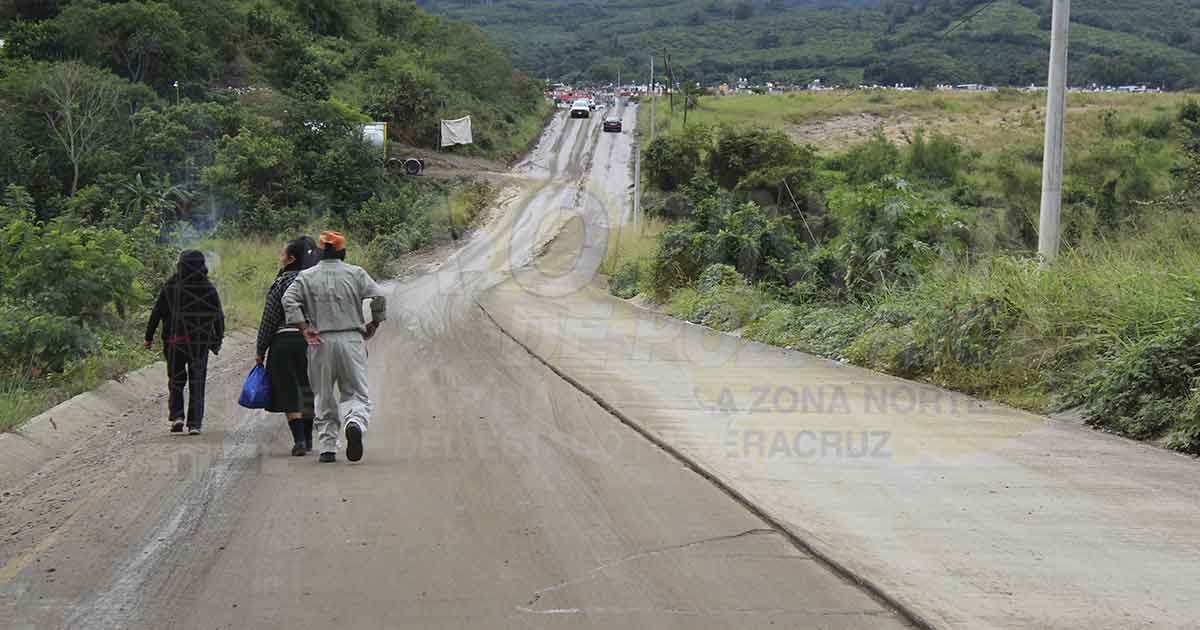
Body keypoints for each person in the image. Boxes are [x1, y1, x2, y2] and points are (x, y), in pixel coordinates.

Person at [282, 232, 387, 463]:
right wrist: (375, 322)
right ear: (342, 252)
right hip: (351, 339)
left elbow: (288, 299)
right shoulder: (356, 273)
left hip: (319, 341)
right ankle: (354, 422)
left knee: (323, 394)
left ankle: (328, 447)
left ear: (319, 252)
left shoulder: (306, 276)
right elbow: (379, 295)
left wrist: (303, 326)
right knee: (355, 391)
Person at [145, 250, 225, 435]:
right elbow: (218, 317)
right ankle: (195, 424)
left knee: (176, 380)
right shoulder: (208, 288)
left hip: (174, 342)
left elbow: (156, 313)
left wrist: (148, 337)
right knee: (197, 382)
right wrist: (217, 340)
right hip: (199, 345)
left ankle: (177, 416)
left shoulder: (170, 286)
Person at [255, 237, 319, 456]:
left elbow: (269, 319)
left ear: (292, 259)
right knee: (308, 389)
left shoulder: (282, 282)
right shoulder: (316, 281)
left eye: (283, 254)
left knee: (290, 391)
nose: (280, 258)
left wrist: (260, 350)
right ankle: (310, 440)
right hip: (311, 341)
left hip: (283, 341)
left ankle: (299, 440)